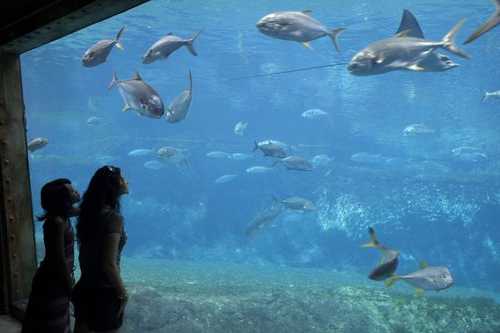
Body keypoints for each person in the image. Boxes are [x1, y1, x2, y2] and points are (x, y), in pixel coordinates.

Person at [73, 166, 129, 333]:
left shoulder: (88, 214)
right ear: (113, 186)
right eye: (122, 178)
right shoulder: (113, 218)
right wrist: (122, 293)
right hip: (104, 292)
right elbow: (108, 263)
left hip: (85, 286)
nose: (127, 181)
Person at [22, 178, 80, 333]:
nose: (77, 191)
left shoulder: (63, 215)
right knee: (49, 324)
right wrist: (70, 286)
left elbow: (86, 208)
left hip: (56, 280)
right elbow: (58, 260)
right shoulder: (56, 222)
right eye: (72, 191)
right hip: (52, 282)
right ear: (62, 199)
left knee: (55, 321)